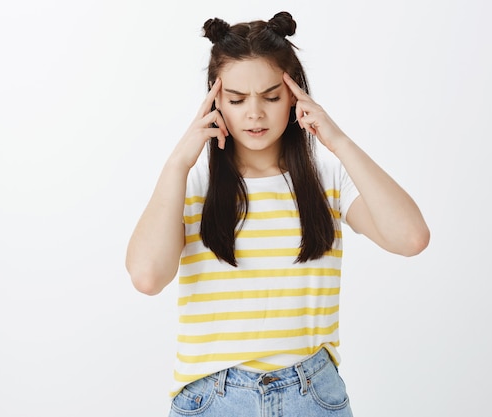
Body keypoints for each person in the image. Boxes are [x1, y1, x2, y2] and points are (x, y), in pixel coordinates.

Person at [126, 11, 429, 417]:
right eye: (236, 100)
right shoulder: (191, 185)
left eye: (271, 97)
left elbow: (411, 238)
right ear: (214, 102)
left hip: (313, 395)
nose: (254, 113)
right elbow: (147, 278)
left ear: (295, 95)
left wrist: (337, 140)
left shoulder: (329, 178)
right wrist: (178, 163)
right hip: (215, 399)